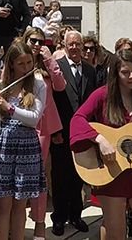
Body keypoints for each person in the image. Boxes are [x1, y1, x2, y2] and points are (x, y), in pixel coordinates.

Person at [70, 49, 132, 240]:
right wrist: (100, 139)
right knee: (115, 232)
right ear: (115, 74)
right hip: (111, 171)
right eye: (125, 72)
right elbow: (77, 119)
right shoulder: (101, 96)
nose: (131, 76)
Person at [0, 41, 46, 240]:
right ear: (11, 64)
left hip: (26, 147)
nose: (26, 67)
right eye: (21, 63)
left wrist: (10, 107)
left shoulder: (38, 84)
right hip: (0, 147)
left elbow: (34, 118)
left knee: (20, 204)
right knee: (2, 205)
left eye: (29, 62)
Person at [51, 30, 96, 235]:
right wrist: (55, 131)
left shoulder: (90, 70)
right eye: (71, 44)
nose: (75, 48)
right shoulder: (56, 69)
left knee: (78, 175)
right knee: (60, 176)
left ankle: (76, 215)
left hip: (82, 133)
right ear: (64, 46)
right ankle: (59, 218)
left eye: (78, 44)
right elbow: (53, 104)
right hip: (61, 132)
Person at [23, 27, 66, 239]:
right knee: (20, 176)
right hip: (19, 124)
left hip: (42, 127)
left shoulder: (46, 65)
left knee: (38, 175)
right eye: (33, 40)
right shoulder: (17, 62)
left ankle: (39, 223)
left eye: (41, 41)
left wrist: (50, 60)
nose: (37, 45)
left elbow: (60, 86)